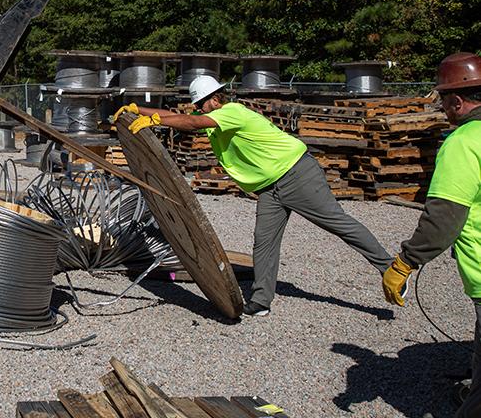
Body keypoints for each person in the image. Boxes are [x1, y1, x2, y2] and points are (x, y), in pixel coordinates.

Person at [113, 74, 393, 316]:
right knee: (264, 242)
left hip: (296, 174)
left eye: (201, 104)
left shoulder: (232, 111)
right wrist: (140, 111)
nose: (198, 109)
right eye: (197, 106)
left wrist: (155, 122)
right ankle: (260, 302)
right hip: (270, 187)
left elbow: (191, 122)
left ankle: (389, 267)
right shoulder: (214, 114)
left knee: (336, 222)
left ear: (214, 98)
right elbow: (180, 117)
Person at [382, 52, 481, 417]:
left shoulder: (463, 143)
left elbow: (444, 218)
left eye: (442, 99)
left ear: (456, 100)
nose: (441, 107)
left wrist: (405, 262)